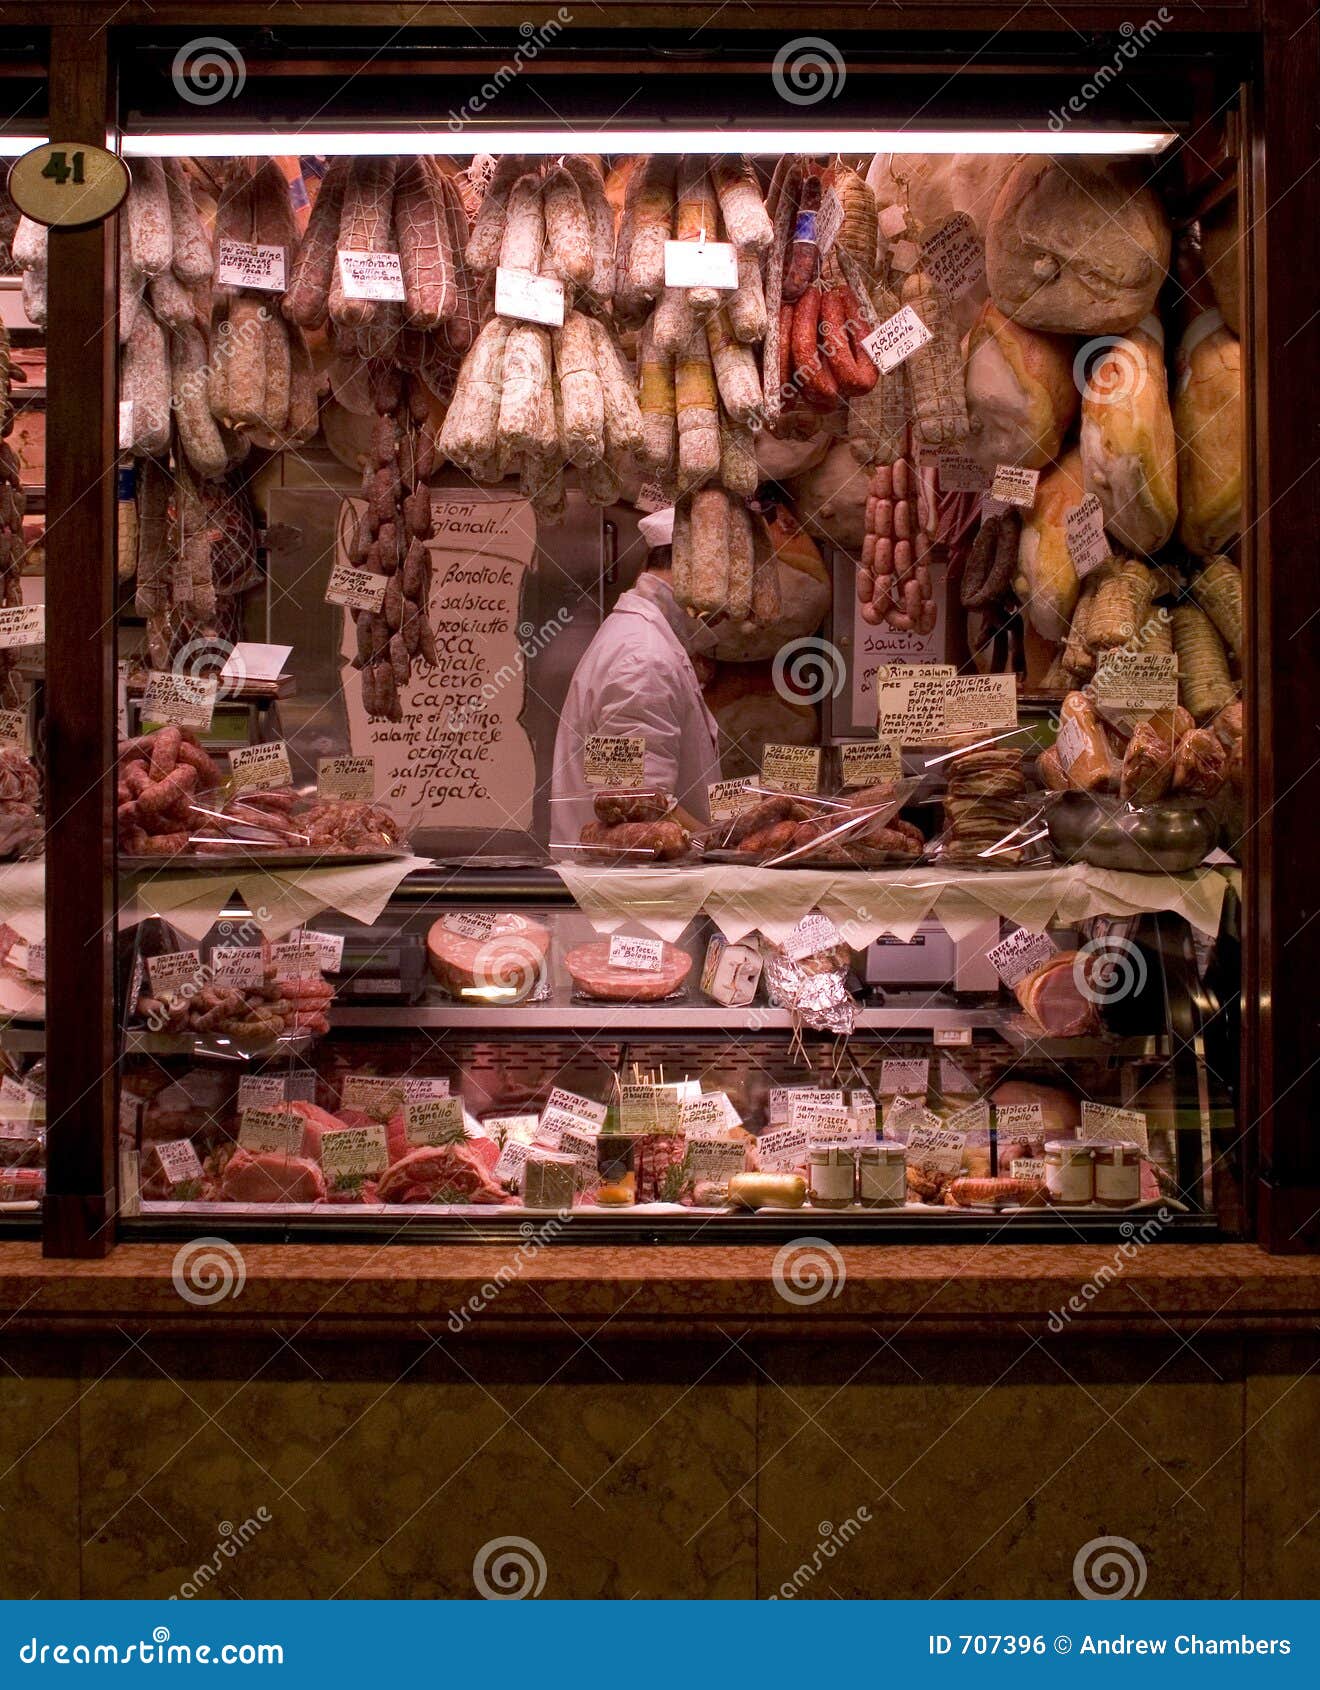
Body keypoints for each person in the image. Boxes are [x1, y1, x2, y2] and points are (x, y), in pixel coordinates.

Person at [550, 533, 722, 845]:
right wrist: (725, 848)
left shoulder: (638, 635)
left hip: (633, 879)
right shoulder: (645, 659)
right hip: (634, 884)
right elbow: (641, 805)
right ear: (701, 570)